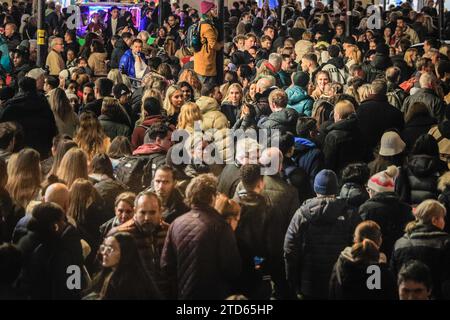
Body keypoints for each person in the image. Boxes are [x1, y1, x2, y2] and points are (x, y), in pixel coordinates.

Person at [161, 174, 241, 300]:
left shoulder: (176, 223)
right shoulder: (220, 226)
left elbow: (166, 265)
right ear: (212, 197)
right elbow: (232, 268)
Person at [284, 169, 359, 299]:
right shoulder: (349, 214)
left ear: (315, 189)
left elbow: (290, 249)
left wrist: (292, 280)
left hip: (309, 281)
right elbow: (359, 247)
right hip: (341, 280)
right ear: (336, 189)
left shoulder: (302, 214)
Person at [17, 202, 84, 299]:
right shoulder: (60, 250)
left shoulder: (24, 242)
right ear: (55, 226)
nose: (65, 224)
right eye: (63, 220)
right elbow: (73, 284)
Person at [108, 190, 169, 297]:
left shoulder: (169, 232)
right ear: (135, 211)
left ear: (160, 211)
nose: (147, 218)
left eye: (152, 212)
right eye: (143, 212)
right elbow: (106, 271)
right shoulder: (120, 235)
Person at [391, 199, 450, 299]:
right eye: (442, 218)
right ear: (434, 220)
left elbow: (393, 276)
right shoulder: (445, 243)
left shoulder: (400, 243)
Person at [329, 221, 397, 300]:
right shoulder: (381, 271)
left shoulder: (341, 264)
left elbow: (332, 293)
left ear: (355, 239)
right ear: (379, 240)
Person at [232, 164, 271, 299]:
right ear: (261, 182)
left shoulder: (233, 206)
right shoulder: (266, 208)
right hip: (258, 262)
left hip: (237, 263)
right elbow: (268, 241)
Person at [86, 232, 162, 300]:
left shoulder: (130, 283)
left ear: (125, 253)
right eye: (104, 247)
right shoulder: (108, 273)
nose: (104, 253)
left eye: (110, 249)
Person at [359, 166, 414, 259]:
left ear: (374, 191)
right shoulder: (406, 209)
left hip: (374, 256)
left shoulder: (366, 209)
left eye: (368, 189)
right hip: (399, 254)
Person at [0, 77, 57, 159]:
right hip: (42, 149)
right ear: (35, 87)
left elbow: (3, 130)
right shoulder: (44, 104)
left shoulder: (11, 107)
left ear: (20, 88)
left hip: (17, 153)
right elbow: (52, 126)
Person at [357, 80, 404, 160]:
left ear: (371, 90)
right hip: (389, 156)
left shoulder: (360, 109)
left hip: (365, 154)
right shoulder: (395, 112)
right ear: (385, 92)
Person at [322, 100, 363, 174]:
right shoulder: (360, 129)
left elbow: (328, 161)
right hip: (358, 173)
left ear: (337, 115)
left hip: (339, 176)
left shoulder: (333, 136)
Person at [193, 1, 223, 85]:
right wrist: (221, 44)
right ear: (208, 11)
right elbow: (213, 45)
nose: (216, 11)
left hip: (200, 59)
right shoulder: (207, 27)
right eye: (213, 9)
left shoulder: (202, 22)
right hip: (206, 62)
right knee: (207, 86)